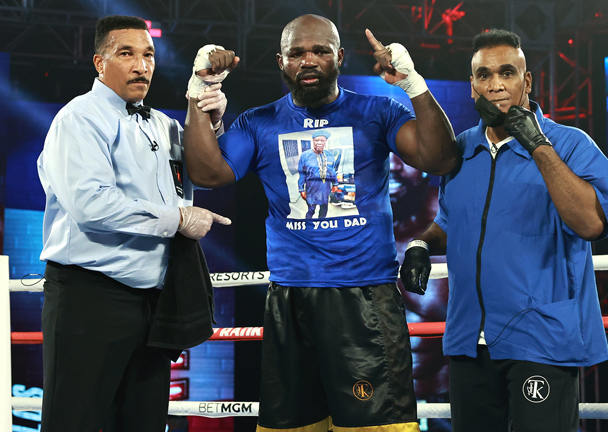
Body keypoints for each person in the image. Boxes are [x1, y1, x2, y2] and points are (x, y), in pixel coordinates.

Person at [183, 14, 460, 432]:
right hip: (290, 299)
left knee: (377, 427)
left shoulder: (377, 110)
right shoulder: (259, 122)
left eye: (320, 51)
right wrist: (198, 92)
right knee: (292, 427)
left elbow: (439, 158)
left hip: (364, 298)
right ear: (281, 61)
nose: (308, 60)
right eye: (296, 53)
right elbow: (207, 174)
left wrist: (413, 85)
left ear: (340, 57)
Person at [401, 28, 608, 432]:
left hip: (541, 340)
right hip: (469, 339)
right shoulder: (461, 149)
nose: (495, 84)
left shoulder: (571, 145)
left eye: (506, 72)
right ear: (472, 87)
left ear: (527, 81)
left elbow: (591, 224)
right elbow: (454, 221)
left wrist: (536, 144)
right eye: (484, 75)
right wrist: (420, 243)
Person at [37, 15, 230, 432]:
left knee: (143, 423)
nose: (141, 66)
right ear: (99, 62)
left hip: (153, 303)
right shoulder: (79, 120)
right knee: (74, 422)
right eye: (126, 54)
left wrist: (208, 115)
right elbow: (91, 204)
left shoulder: (162, 125)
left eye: (148, 55)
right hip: (89, 297)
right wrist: (178, 218)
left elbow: (204, 172)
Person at [298, 130, 337, 219]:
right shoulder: (305, 156)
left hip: (325, 189)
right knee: (311, 210)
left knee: (324, 209)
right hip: (311, 189)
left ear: (325, 142)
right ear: (313, 141)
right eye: (317, 140)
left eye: (322, 140)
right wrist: (301, 189)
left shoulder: (330, 155)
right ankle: (308, 226)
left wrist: (335, 184)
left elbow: (333, 171)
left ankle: (320, 224)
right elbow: (301, 173)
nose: (319, 143)